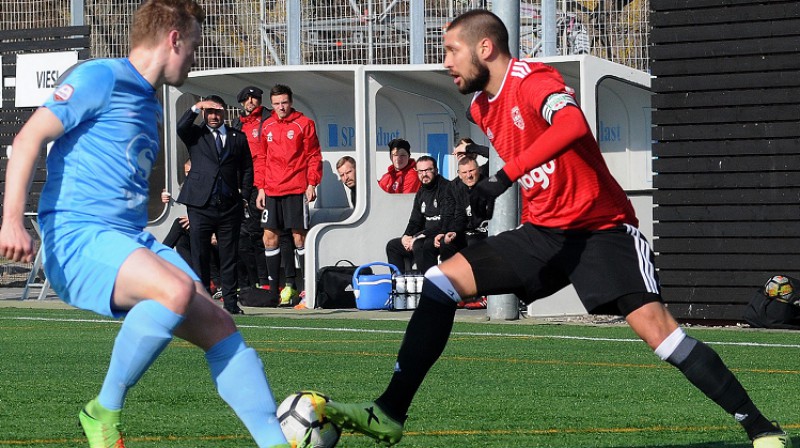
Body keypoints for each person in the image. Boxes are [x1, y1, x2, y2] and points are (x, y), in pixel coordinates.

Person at [325, 9, 792, 448]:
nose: (444, 61)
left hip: (601, 231)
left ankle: (761, 428)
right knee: (440, 282)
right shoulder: (482, 107)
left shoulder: (532, 80)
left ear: (485, 47)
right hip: (543, 235)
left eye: (450, 50)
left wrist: (504, 176)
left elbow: (571, 124)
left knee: (662, 336)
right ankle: (389, 414)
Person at [0, 2, 290, 447]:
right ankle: (103, 411)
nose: (195, 57)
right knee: (173, 291)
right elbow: (27, 139)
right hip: (77, 236)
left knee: (218, 324)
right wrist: (12, 220)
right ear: (173, 38)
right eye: (193, 46)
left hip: (127, 238)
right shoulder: (100, 77)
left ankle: (275, 442)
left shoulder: (147, 102)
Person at [176, 94, 253, 315]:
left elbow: (247, 167)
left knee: (229, 255)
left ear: (224, 113)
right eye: (208, 112)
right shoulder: (195, 134)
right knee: (200, 254)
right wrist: (197, 106)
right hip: (201, 205)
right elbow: (182, 126)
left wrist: (245, 195)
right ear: (203, 113)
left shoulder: (237, 137)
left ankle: (230, 302)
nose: (213, 116)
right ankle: (202, 302)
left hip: (229, 205)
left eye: (217, 111)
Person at [255, 83, 323, 306]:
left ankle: (305, 290)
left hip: (295, 188)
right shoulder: (267, 126)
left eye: (284, 102)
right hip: (272, 190)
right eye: (276, 104)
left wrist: (312, 183)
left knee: (298, 238)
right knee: (269, 238)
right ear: (271, 105)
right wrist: (261, 188)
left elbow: (313, 155)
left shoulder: (304, 124)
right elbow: (261, 158)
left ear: (291, 102)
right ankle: (273, 292)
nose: (281, 107)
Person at [230, 85, 273, 289]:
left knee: (258, 233)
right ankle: (247, 281)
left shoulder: (268, 120)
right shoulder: (237, 123)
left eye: (254, 98)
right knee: (240, 234)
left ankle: (265, 281)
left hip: (262, 184)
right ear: (241, 102)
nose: (251, 102)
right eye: (247, 99)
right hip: (242, 185)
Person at [384, 156, 451, 275]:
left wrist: (419, 236)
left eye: (428, 170)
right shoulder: (421, 192)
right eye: (420, 171)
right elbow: (415, 220)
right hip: (423, 236)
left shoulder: (446, 188)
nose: (424, 174)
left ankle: (428, 284)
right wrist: (407, 235)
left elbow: (445, 222)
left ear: (436, 170)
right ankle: (400, 285)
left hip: (440, 235)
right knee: (393, 246)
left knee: (421, 244)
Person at [434, 155, 492, 262]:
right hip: (463, 230)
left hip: (484, 232)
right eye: (464, 172)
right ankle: (450, 276)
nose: (469, 175)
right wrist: (449, 231)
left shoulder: (488, 186)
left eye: (471, 171)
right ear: (459, 175)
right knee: (446, 243)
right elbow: (452, 214)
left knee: (473, 243)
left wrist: (470, 147)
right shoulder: (454, 188)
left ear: (478, 170)